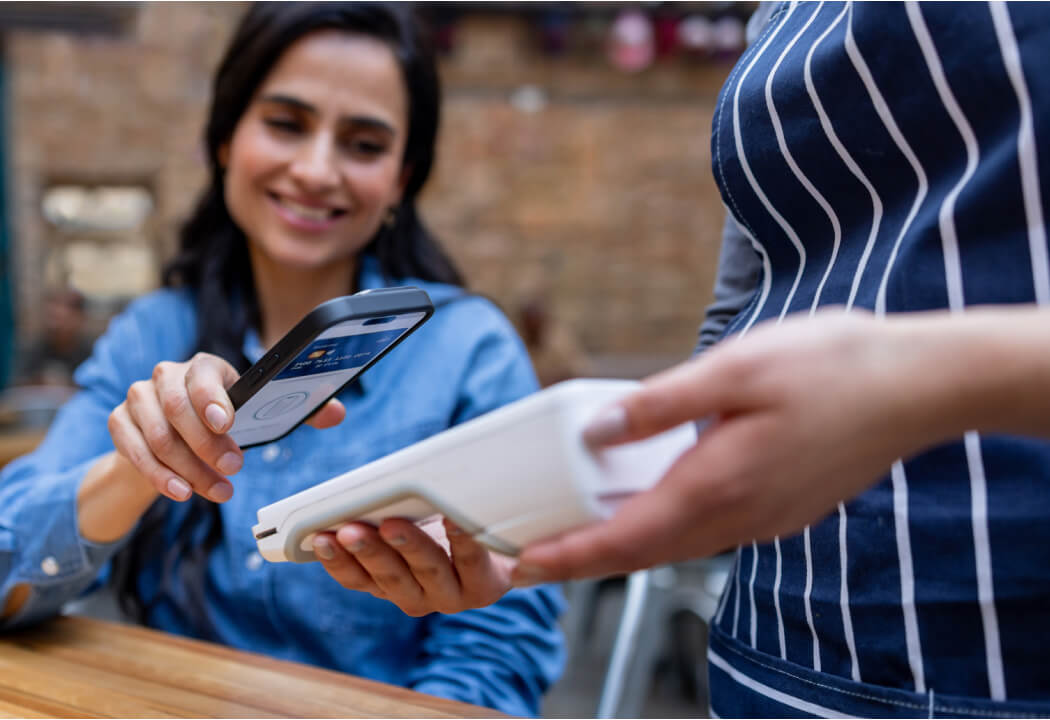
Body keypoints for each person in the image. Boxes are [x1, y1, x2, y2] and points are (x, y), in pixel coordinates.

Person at [0, 4, 564, 716]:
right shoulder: (153, 335)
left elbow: (499, 648)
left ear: (401, 178)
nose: (316, 169)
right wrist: (138, 467)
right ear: (226, 138)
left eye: (363, 144)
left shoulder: (467, 352)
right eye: (286, 123)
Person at [514, 2, 1050, 716]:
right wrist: (594, 501)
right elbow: (747, 296)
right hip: (772, 633)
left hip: (1007, 638)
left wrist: (915, 382)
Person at [16, 287, 95, 387]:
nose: (55, 326)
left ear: (79, 318)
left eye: (62, 319)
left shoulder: (91, 354)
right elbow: (20, 385)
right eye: (51, 317)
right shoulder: (36, 349)